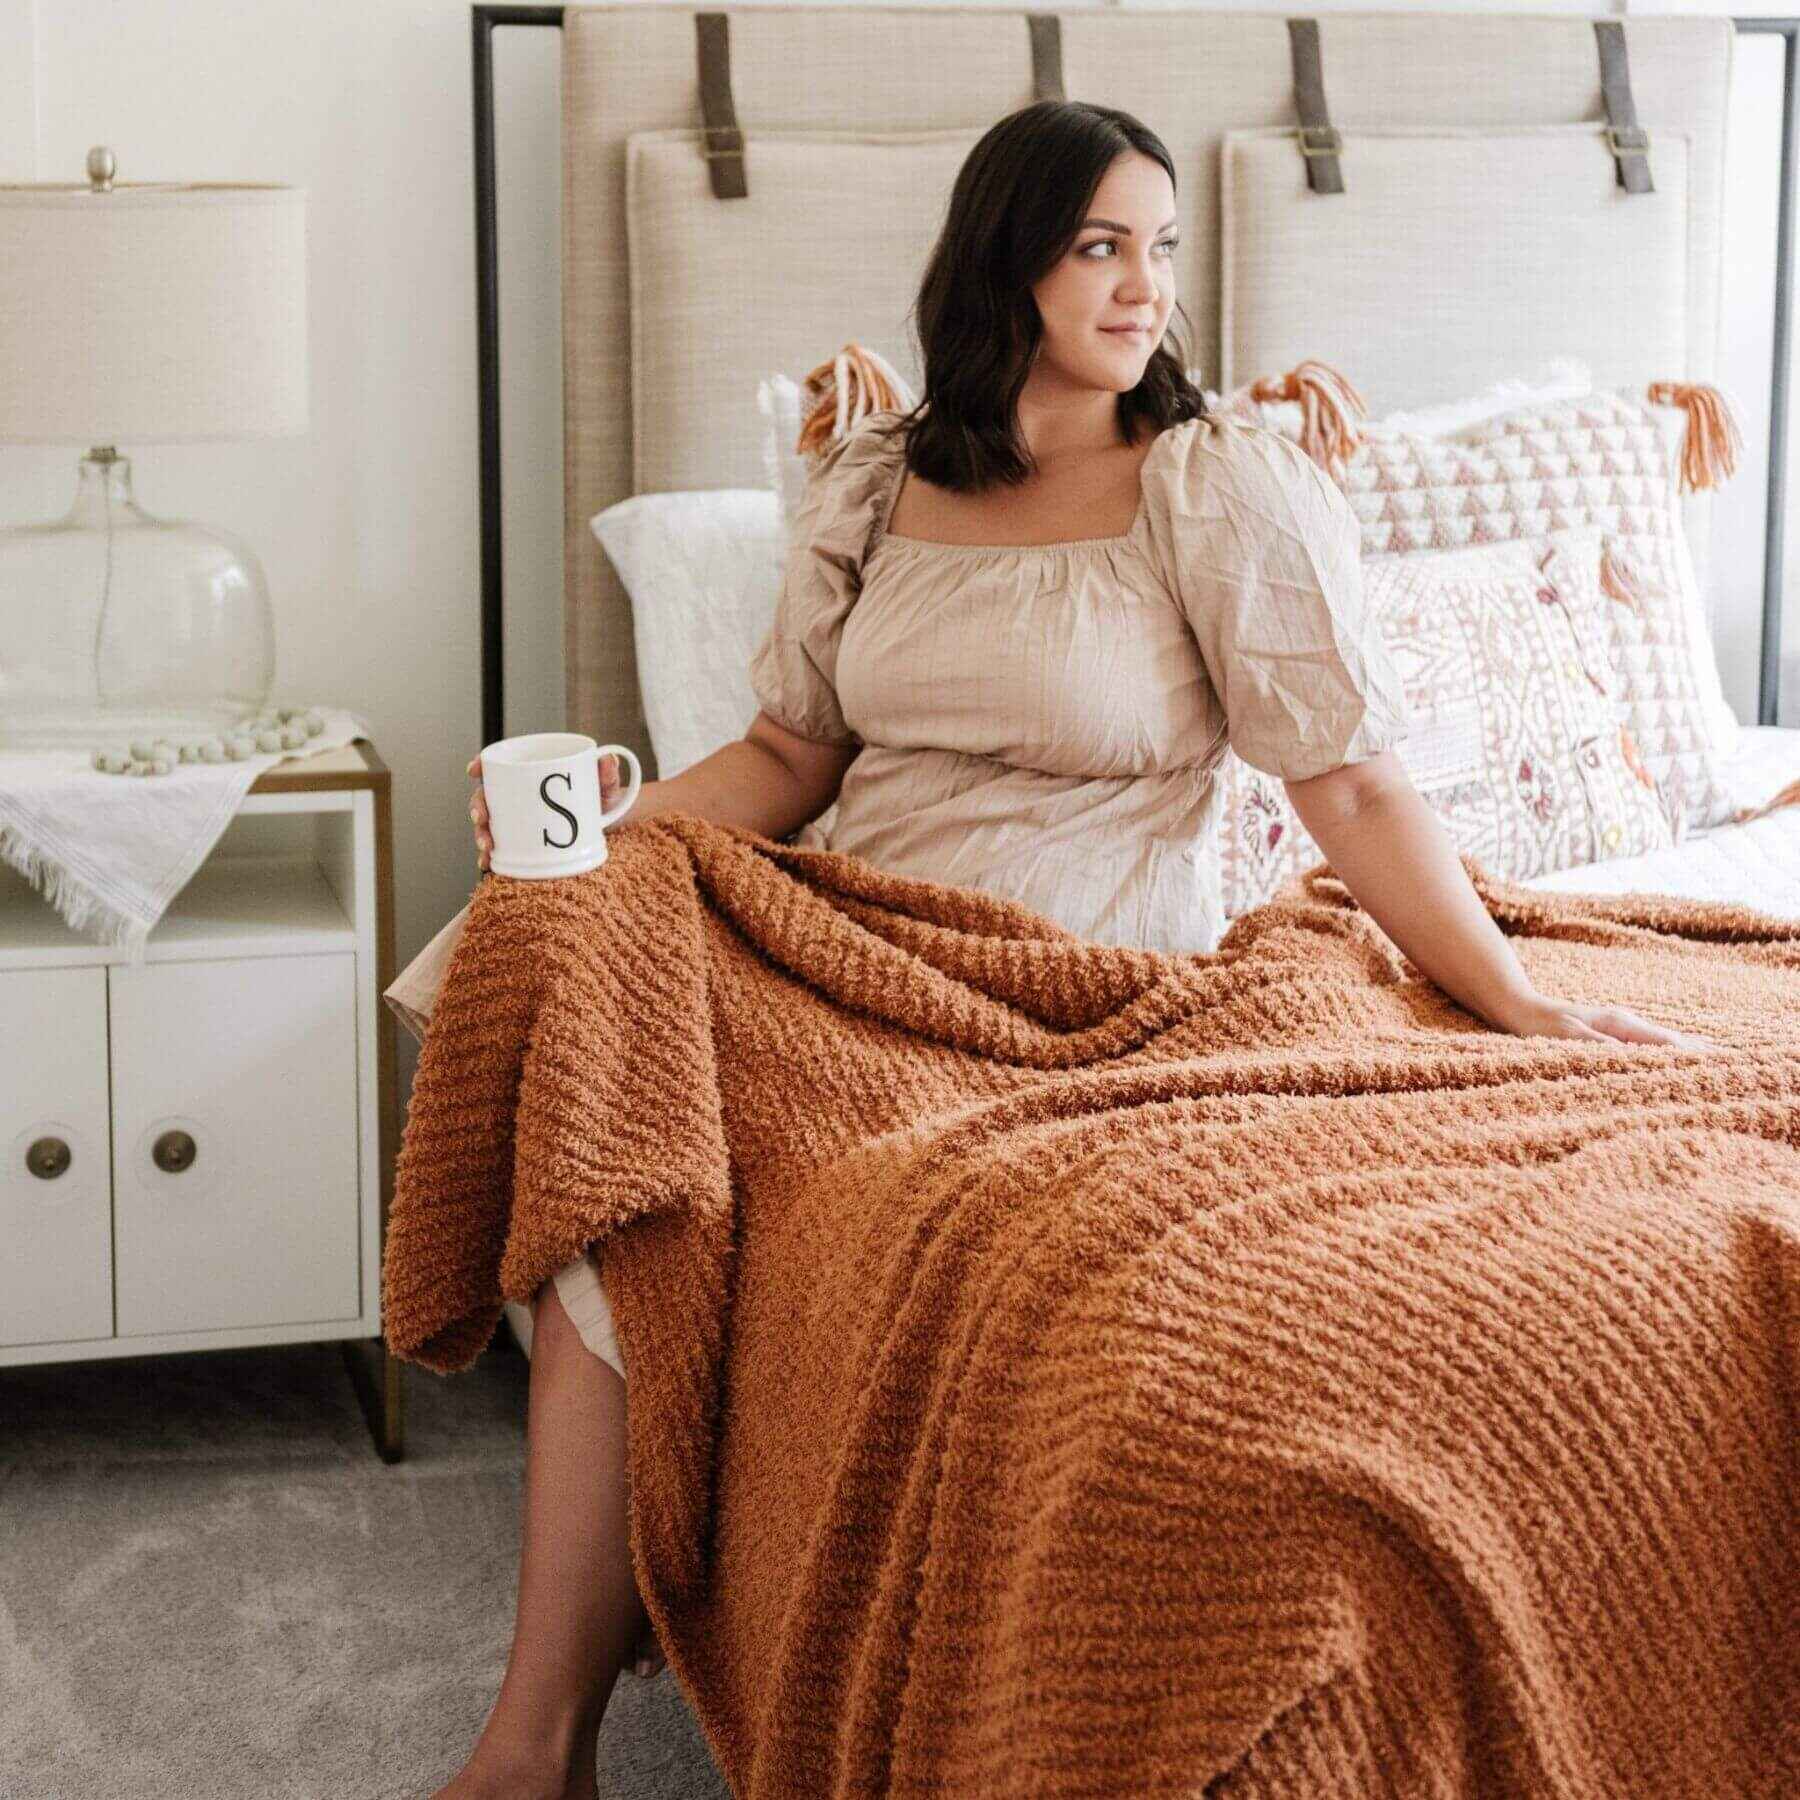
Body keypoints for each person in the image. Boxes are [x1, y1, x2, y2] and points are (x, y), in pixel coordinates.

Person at [431, 99, 1713, 1800]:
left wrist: (1519, 994)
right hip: (858, 949)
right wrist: (615, 822)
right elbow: (788, 763)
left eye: (1162, 246)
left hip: (1087, 990)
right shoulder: (877, 482)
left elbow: (1344, 771)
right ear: (1006, 258)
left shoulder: (1212, 478)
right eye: (1102, 243)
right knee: (605, 1031)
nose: (1143, 286)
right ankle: (540, 1744)